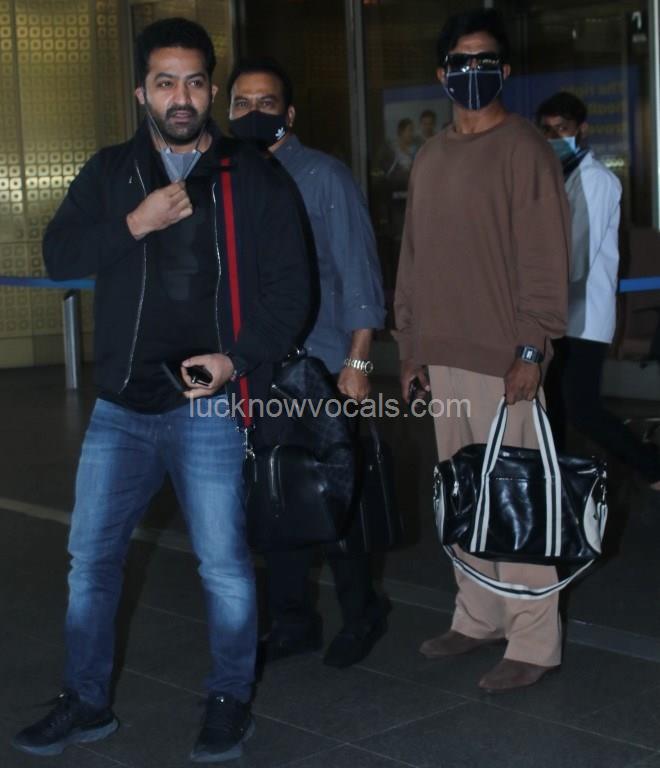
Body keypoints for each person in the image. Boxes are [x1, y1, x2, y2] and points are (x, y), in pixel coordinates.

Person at [12, 19, 311, 763]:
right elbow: (59, 255)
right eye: (166, 82)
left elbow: (291, 291)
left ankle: (229, 701)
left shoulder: (250, 175)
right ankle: (85, 701)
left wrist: (234, 362)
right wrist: (133, 224)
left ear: (211, 89)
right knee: (91, 562)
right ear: (140, 91)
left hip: (205, 405)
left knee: (224, 566)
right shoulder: (112, 172)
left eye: (195, 82)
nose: (182, 97)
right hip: (120, 407)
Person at [394, 8, 570, 692]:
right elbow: (413, 259)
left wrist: (532, 348)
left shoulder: (525, 149)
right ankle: (477, 617)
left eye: (485, 61)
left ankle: (534, 641)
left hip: (504, 359)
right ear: (442, 75)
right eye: (461, 62)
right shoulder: (431, 155)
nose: (473, 72)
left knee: (515, 496)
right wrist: (410, 349)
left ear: (505, 70)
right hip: (441, 357)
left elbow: (545, 261)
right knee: (461, 496)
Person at [226, 58, 388, 669]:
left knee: (335, 492)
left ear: (288, 114)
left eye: (266, 103)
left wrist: (359, 361)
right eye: (241, 103)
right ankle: (294, 620)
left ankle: (362, 611)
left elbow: (359, 273)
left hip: (321, 365)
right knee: (273, 494)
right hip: (256, 370)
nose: (253, 113)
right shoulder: (227, 178)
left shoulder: (323, 176)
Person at [536, 91, 660, 489]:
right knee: (553, 406)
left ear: (583, 130)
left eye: (563, 129)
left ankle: (652, 466)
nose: (555, 137)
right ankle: (554, 485)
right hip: (559, 315)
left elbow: (575, 258)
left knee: (582, 410)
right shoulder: (558, 178)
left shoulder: (597, 181)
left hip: (584, 318)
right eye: (548, 130)